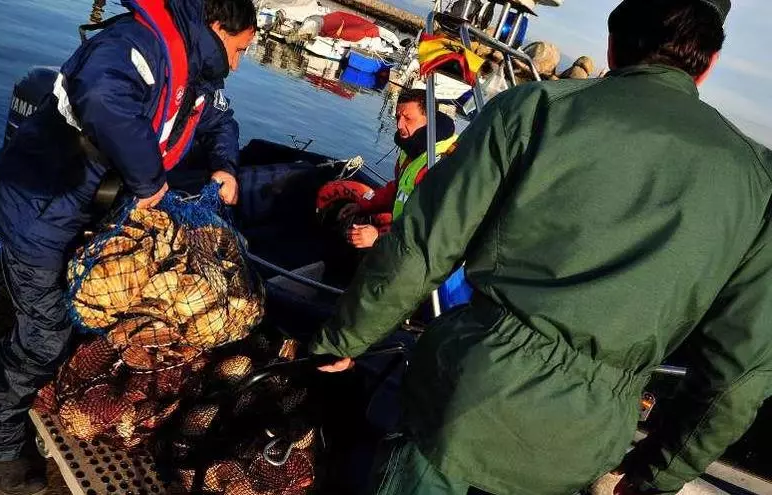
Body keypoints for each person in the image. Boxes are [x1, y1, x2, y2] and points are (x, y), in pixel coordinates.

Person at [311, 1, 772, 494]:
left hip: (460, 404)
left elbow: (422, 248)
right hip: (581, 446)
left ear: (612, 46)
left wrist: (343, 341)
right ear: (710, 63)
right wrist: (658, 473)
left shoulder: (533, 109)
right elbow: (741, 372)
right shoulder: (759, 182)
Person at [0, 0, 256, 493]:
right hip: (40, 209)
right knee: (44, 336)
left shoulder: (199, 74)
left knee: (82, 318)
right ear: (216, 27)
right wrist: (149, 180)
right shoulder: (135, 45)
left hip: (90, 215)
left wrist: (225, 166)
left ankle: (23, 404)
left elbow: (219, 120)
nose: (240, 62)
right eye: (241, 49)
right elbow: (101, 95)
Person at [339, 89, 457, 249]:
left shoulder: (443, 162)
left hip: (418, 248)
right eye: (398, 117)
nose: (399, 125)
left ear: (430, 119)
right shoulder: (412, 149)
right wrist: (363, 205)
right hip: (400, 236)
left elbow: (433, 226)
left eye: (408, 118)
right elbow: (398, 189)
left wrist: (378, 236)